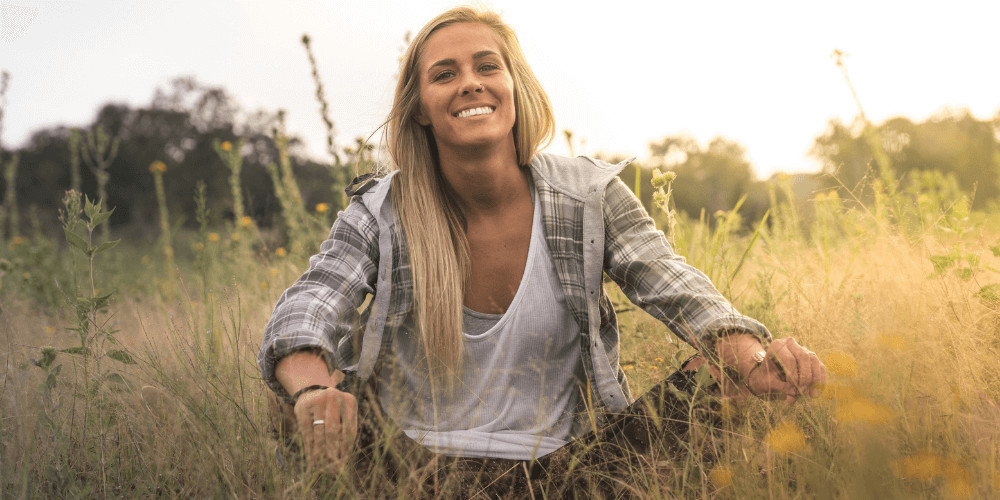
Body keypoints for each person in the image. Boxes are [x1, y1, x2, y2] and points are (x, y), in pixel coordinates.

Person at [258, 5, 826, 495]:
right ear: (420, 109)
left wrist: (751, 355)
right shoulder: (381, 210)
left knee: (717, 378)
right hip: (407, 470)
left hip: (575, 471)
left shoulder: (589, 196)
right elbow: (311, 302)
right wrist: (312, 389)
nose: (471, 83)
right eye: (445, 74)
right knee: (298, 393)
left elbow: (672, 284)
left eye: (488, 66)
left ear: (515, 87)